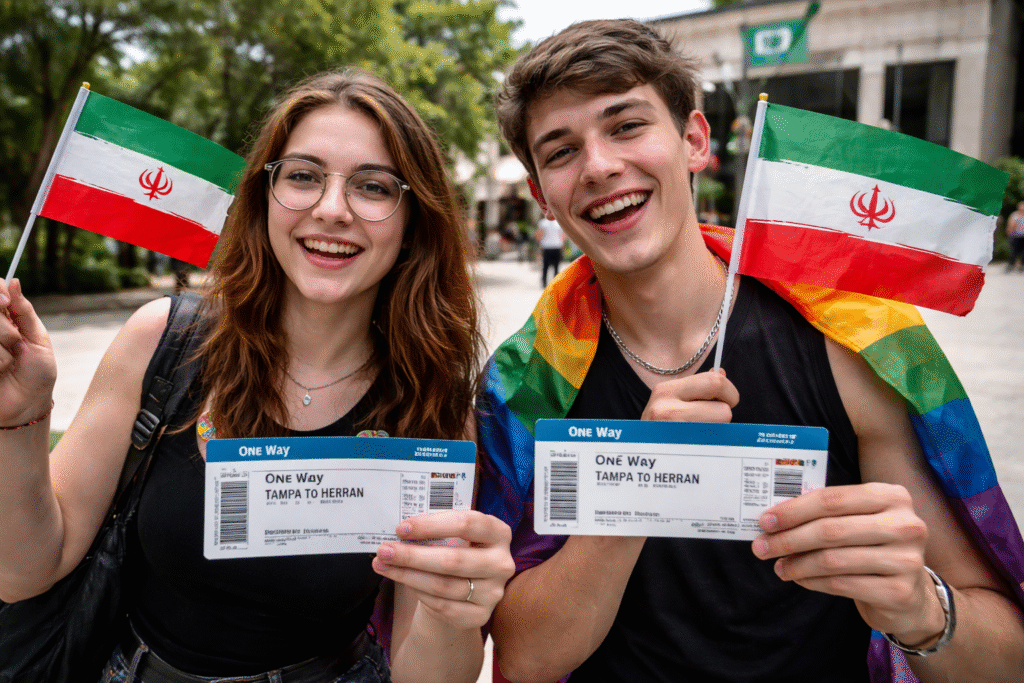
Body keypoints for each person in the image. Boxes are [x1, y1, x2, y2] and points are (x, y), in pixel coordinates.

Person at [476, 19, 1024, 683]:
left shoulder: (850, 339)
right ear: (541, 196)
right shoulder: (526, 384)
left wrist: (923, 610)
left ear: (694, 141)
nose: (599, 165)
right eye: (560, 151)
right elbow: (526, 657)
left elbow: (1004, 654)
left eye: (626, 126)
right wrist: (640, 485)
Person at [0, 70, 514, 683]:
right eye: (302, 176)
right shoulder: (162, 340)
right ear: (265, 196)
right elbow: (26, 568)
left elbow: (424, 673)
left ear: (413, 221)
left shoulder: (433, 400)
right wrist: (19, 417)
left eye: (373, 187)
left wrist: (455, 612)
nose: (331, 210)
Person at [536, 215, 565, 287]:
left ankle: (551, 282)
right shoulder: (544, 223)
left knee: (553, 266)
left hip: (552, 246)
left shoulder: (544, 223)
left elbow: (539, 235)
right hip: (550, 246)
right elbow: (539, 234)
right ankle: (546, 282)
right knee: (548, 266)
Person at [1006, 201, 1024, 272]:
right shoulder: (1015, 215)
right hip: (1016, 235)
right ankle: (1011, 265)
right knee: (1014, 251)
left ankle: (1022, 266)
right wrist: (1009, 232)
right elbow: (1010, 224)